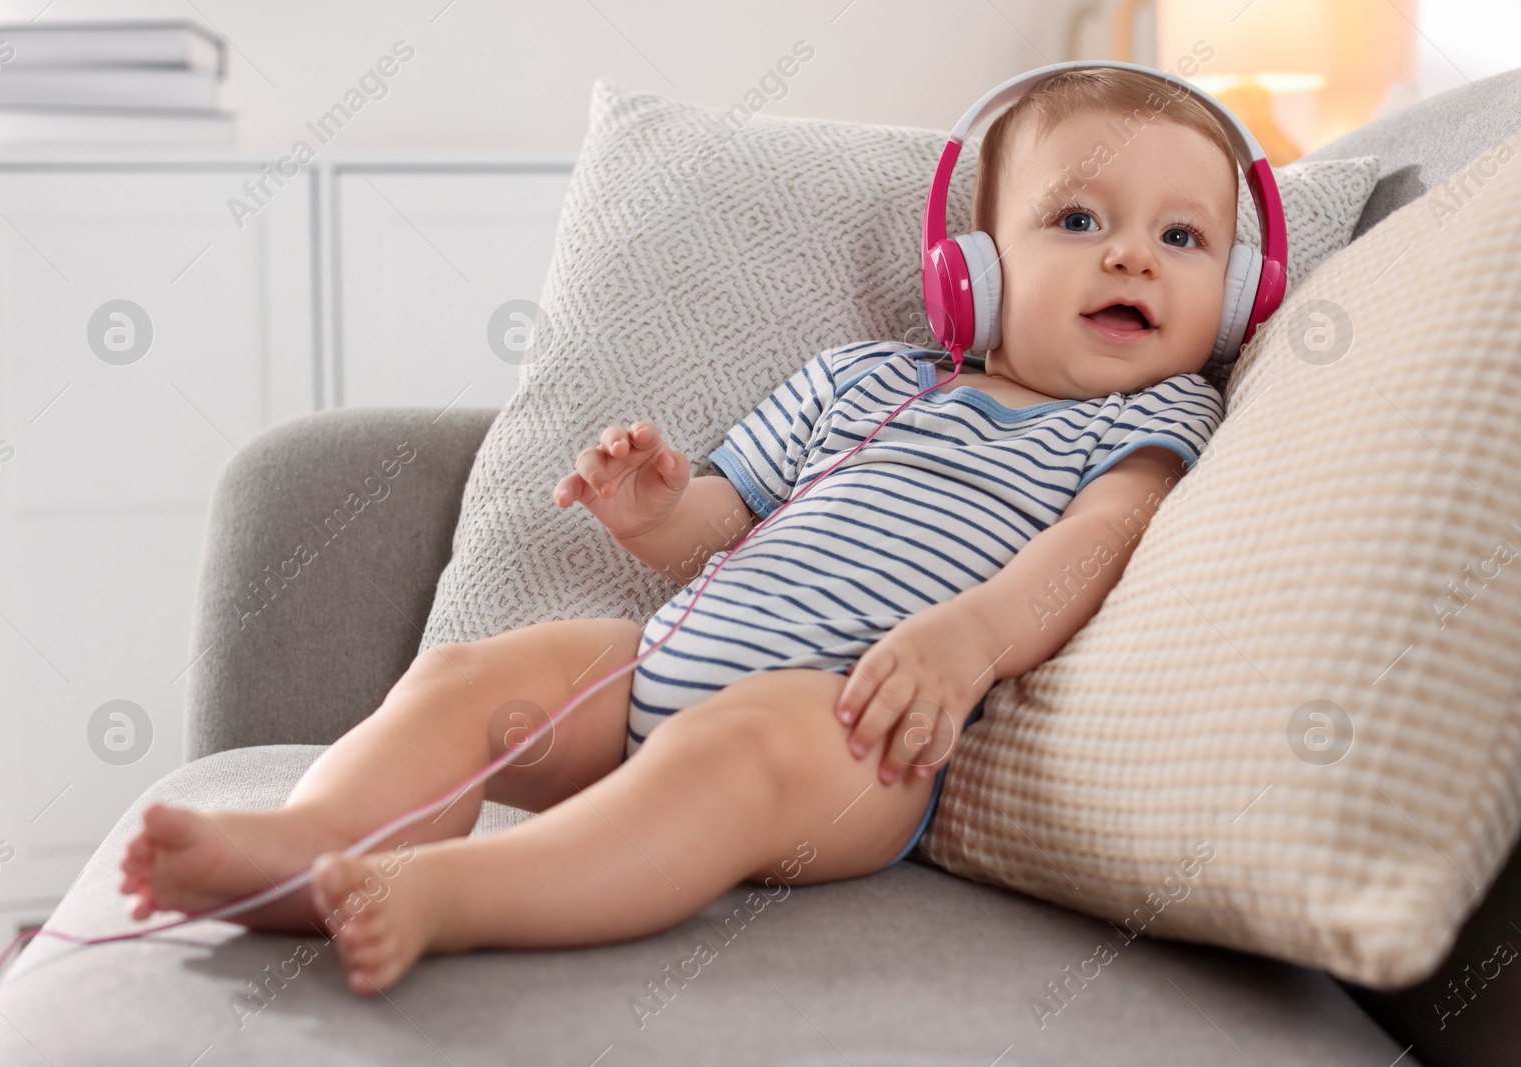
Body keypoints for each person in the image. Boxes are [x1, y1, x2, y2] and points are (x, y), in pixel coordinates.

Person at [119, 67, 1233, 996]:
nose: (1130, 255)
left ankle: (455, 896)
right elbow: (720, 524)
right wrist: (653, 511)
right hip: (661, 663)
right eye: (1078, 220)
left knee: (737, 745)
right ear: (972, 267)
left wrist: (966, 642)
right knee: (472, 672)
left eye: (1182, 237)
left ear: (1234, 300)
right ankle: (317, 837)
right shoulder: (859, 379)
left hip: (846, 733)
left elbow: (1097, 542)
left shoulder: (1151, 415)